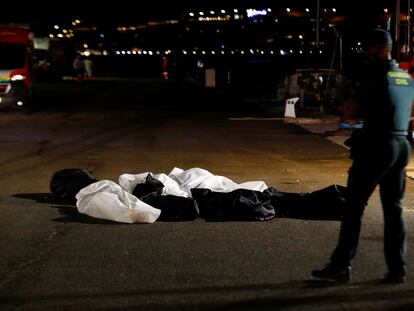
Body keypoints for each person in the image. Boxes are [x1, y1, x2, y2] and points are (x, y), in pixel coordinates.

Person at [311, 28, 414, 284]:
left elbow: (350, 112)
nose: (367, 54)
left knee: (354, 206)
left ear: (379, 49)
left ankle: (341, 265)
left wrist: (345, 110)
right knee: (394, 209)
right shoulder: (406, 78)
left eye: (369, 49)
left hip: (376, 145)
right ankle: (397, 269)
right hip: (402, 145)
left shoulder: (373, 77)